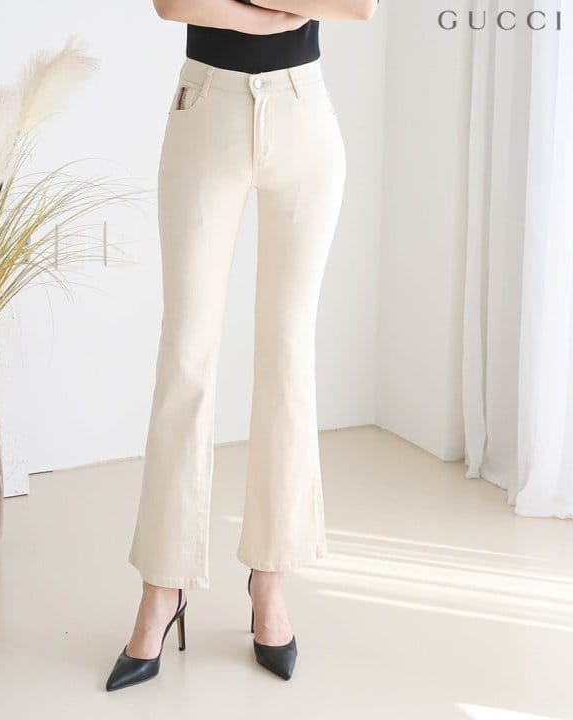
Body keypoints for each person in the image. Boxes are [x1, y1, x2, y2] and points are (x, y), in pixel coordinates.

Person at [106, 0, 379, 691]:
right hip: (207, 107)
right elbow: (173, 3)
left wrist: (236, 6)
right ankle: (162, 588)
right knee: (185, 357)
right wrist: (271, 16)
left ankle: (270, 580)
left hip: (303, 110)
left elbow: (359, 5)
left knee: (288, 357)